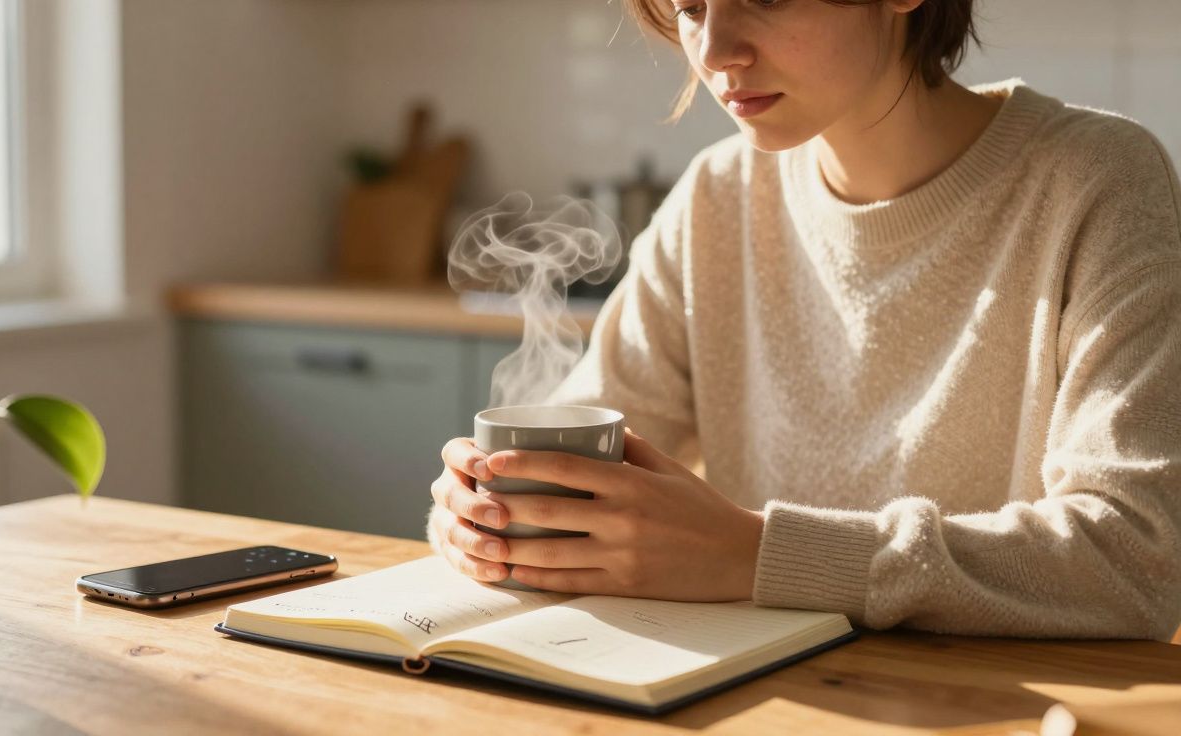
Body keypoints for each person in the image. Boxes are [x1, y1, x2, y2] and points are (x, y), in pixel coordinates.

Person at [426, 0, 1181, 640]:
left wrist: (759, 555)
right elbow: (576, 475)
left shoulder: (1097, 179)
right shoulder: (718, 195)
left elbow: (1135, 559)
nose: (715, 52)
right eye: (690, 5)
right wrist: (487, 518)